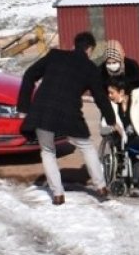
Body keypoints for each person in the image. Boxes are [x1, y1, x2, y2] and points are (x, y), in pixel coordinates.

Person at [17, 31, 120, 206]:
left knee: (48, 151)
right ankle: (101, 187)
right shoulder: (90, 68)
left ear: (74, 45)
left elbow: (29, 74)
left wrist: (24, 108)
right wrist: (111, 120)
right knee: (87, 147)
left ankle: (57, 195)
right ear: (90, 49)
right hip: (69, 114)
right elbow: (100, 97)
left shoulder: (54, 55)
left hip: (43, 111)